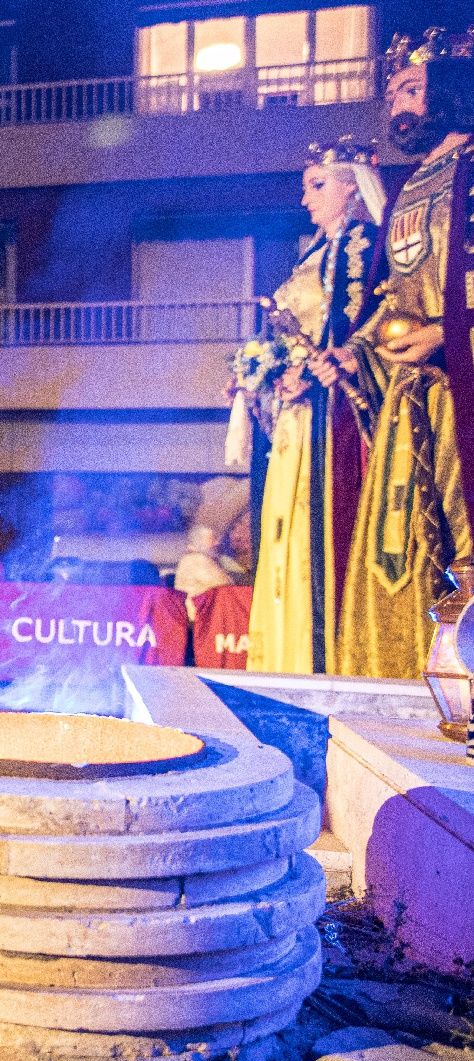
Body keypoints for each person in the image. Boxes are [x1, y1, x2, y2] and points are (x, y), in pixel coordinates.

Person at [310, 31, 474, 678]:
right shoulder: (408, 187)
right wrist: (371, 350)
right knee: (397, 547)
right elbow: (388, 299)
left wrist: (446, 334)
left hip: (463, 388)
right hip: (410, 399)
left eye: (412, 89)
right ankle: (412, 673)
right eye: (393, 96)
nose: (398, 107)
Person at [233, 139, 385, 674]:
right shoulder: (313, 254)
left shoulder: (365, 245)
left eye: (317, 186)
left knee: (317, 528)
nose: (306, 200)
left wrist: (316, 367)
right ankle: (285, 656)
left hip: (330, 412)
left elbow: (363, 321)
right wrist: (263, 371)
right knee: (283, 529)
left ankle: (320, 658)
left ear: (352, 187)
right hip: (298, 417)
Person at [173, 525, 236, 619]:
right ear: (200, 542)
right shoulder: (197, 560)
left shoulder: (191, 558)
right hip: (201, 620)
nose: (217, 543)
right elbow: (223, 585)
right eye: (212, 539)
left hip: (199, 617)